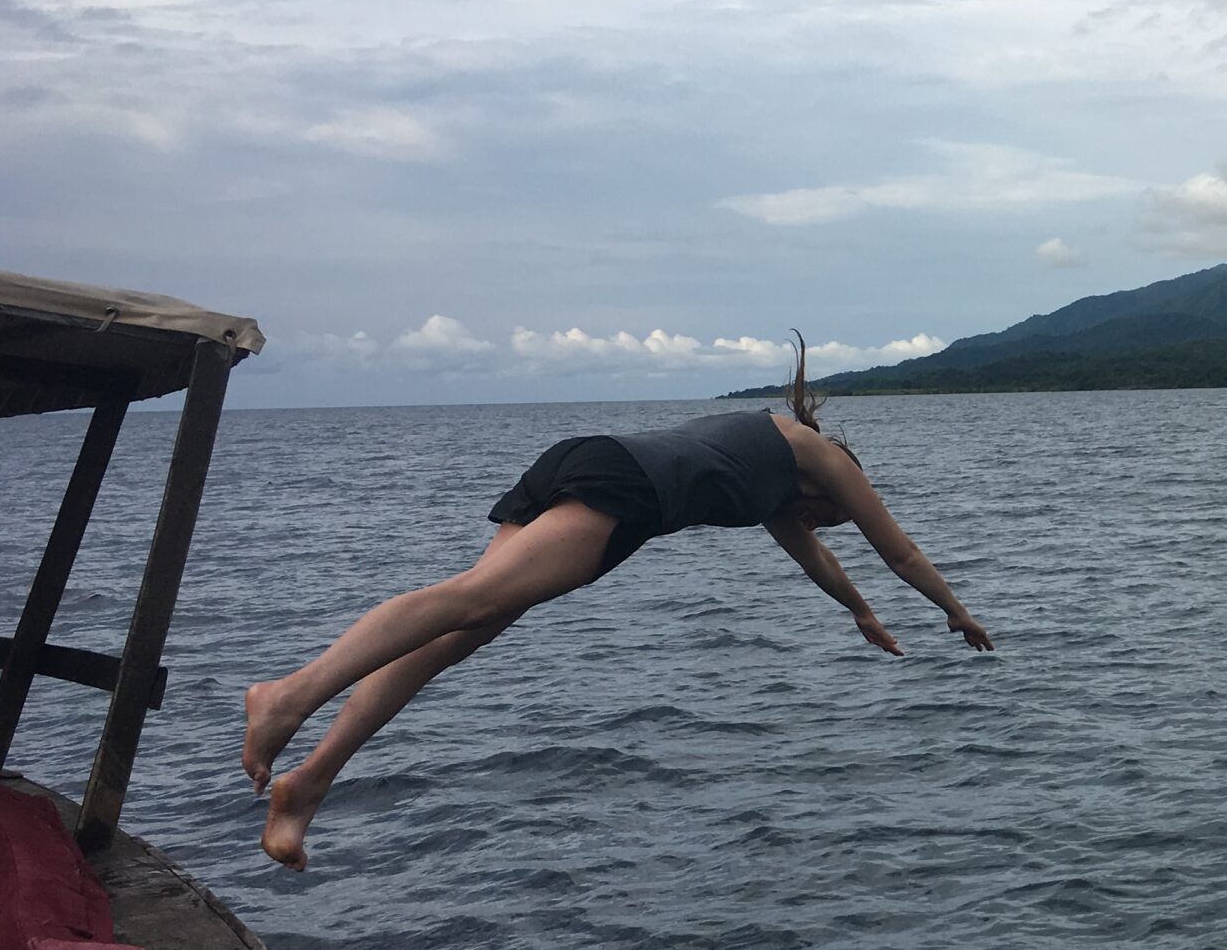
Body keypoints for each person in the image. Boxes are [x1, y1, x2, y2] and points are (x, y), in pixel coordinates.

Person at [241, 340, 991, 869]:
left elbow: (819, 560)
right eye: (833, 514)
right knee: (464, 601)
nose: (821, 526)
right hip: (624, 488)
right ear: (838, 486)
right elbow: (899, 549)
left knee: (462, 629)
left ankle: (307, 785)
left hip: (588, 461)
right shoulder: (816, 457)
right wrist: (953, 610)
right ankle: (288, 696)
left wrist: (858, 611)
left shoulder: (772, 482)